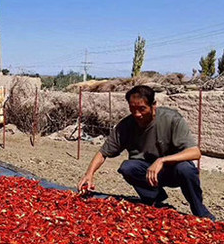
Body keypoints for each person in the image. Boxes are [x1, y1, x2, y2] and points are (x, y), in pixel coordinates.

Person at [78, 84, 213, 219]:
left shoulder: (171, 119)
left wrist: (162, 160)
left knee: (185, 168)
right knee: (128, 167)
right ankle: (155, 200)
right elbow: (103, 152)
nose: (137, 114)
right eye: (133, 109)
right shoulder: (126, 125)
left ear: (153, 105)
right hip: (147, 173)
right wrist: (89, 174)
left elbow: (195, 152)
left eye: (142, 109)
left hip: (174, 170)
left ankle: (200, 211)